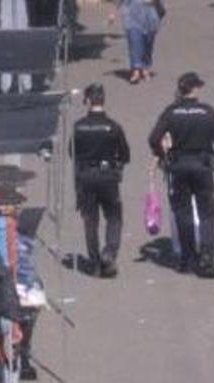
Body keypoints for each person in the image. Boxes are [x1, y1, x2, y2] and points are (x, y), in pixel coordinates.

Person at [149, 72, 214, 277]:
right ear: (195, 89)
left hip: (178, 165)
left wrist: (163, 156)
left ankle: (187, 257)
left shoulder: (171, 111)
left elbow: (154, 138)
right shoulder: (207, 112)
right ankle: (207, 258)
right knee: (207, 213)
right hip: (202, 166)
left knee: (182, 212)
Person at [73, 83, 130, 278]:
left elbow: (73, 153)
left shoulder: (78, 126)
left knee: (90, 221)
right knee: (114, 217)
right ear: (103, 100)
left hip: (86, 178)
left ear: (88, 101)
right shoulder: (113, 127)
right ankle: (109, 253)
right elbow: (125, 154)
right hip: (108, 177)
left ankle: (95, 261)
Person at [118, 0, 163, 84]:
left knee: (148, 45)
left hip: (150, 18)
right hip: (133, 17)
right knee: (134, 44)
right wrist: (113, 13)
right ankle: (136, 71)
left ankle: (145, 68)